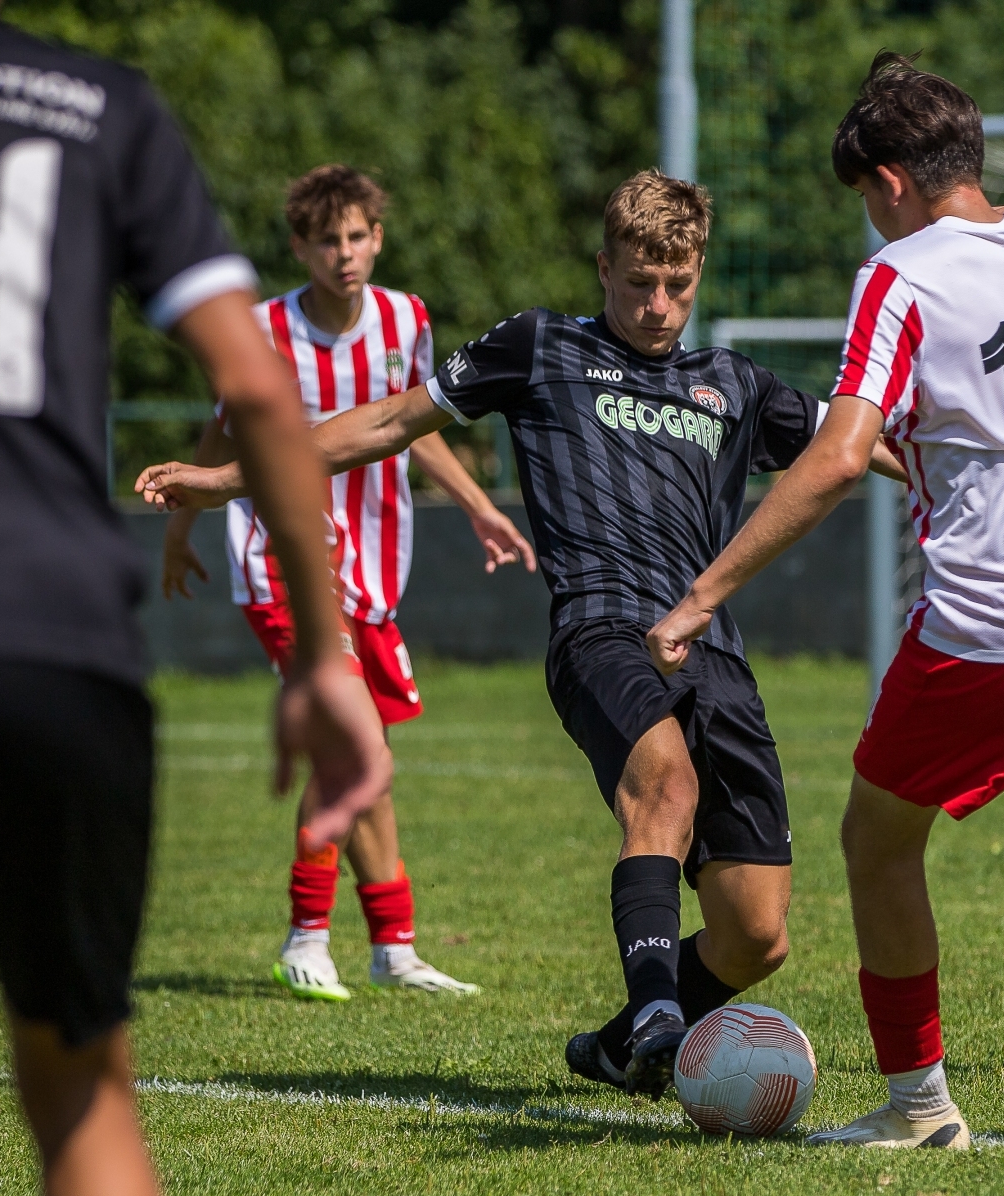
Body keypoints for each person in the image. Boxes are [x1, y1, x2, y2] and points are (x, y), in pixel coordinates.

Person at [138, 169, 904, 1100]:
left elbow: (869, 445)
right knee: (665, 784)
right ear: (604, 268)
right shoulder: (540, 346)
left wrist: (986, 466)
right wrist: (228, 481)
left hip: (714, 652)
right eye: (638, 283)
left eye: (677, 285)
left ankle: (619, 1047)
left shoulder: (735, 385)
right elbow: (390, 420)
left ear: (698, 272)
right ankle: (657, 1015)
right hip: (603, 631)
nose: (658, 305)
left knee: (757, 933)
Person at [647, 54, 1004, 1149]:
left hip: (996, 610)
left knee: (877, 837)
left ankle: (918, 1107)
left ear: (893, 181)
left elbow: (836, 456)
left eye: (867, 197)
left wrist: (703, 595)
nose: (871, 220)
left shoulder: (901, 275)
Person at [0, 2, 390, 1196]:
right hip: (54, 637)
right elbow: (259, 395)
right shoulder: (101, 104)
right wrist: (322, 656)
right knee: (82, 1097)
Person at [162, 165, 532, 1001]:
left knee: (374, 757)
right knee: (350, 745)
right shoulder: (262, 329)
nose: (344, 253)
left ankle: (394, 948)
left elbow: (416, 423)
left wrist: (479, 507)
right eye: (326, 240)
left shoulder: (407, 320)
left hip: (372, 566)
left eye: (357, 236)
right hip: (282, 563)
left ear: (378, 238)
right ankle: (306, 938)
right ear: (299, 247)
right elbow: (222, 433)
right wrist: (181, 532)